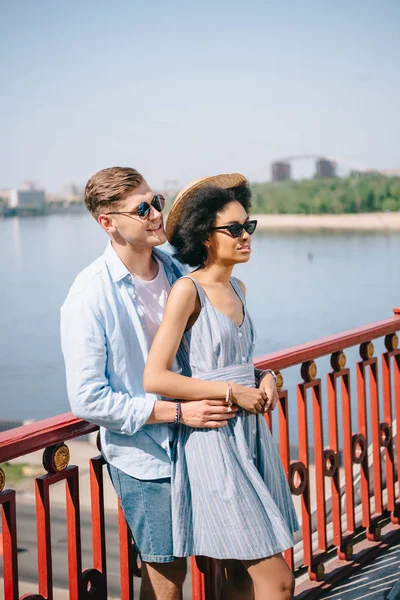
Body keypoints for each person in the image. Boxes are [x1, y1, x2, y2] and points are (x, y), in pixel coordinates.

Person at [60, 167, 278, 600]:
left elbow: (212, 355)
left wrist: (261, 375)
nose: (157, 213)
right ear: (108, 222)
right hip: (148, 456)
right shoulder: (90, 295)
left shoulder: (179, 270)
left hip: (205, 446)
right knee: (167, 582)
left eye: (155, 200)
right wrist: (177, 411)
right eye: (142, 208)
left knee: (231, 562)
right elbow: (87, 397)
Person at [144, 174, 299, 600]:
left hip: (249, 435)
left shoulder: (238, 287)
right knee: (279, 581)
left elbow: (237, 362)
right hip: (213, 442)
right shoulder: (186, 291)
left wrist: (262, 377)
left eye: (249, 226)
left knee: (237, 575)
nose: (245, 236)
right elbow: (155, 377)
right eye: (233, 229)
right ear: (204, 237)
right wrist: (232, 393)